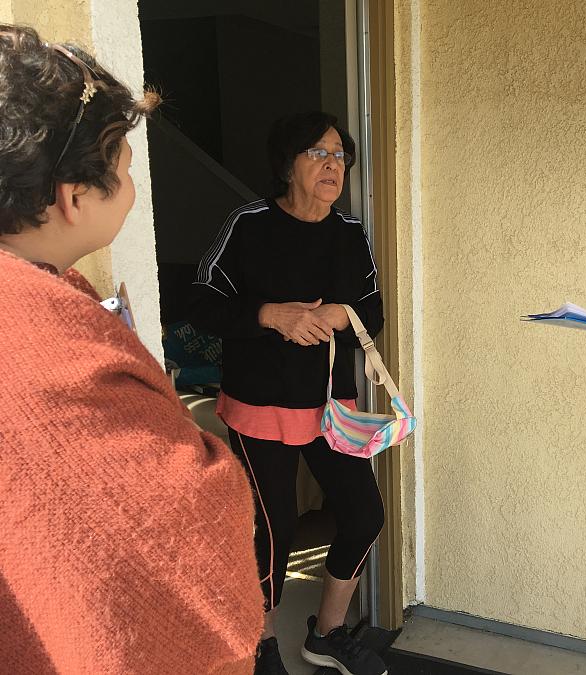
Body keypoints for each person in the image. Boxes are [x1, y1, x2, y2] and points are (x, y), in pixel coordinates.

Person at [0, 25, 263, 674]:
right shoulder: (42, 348)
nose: (132, 185)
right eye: (123, 169)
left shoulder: (49, 300)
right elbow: (177, 529)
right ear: (75, 195)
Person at [190, 111, 387, 675]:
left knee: (363, 514)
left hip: (331, 406)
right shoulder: (248, 224)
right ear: (288, 165)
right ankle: (260, 640)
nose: (333, 165)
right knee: (274, 527)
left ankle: (325, 635)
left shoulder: (350, 234)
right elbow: (201, 302)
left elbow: (372, 311)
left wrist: (339, 313)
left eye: (339, 156)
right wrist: (268, 314)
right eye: (318, 154)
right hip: (261, 404)